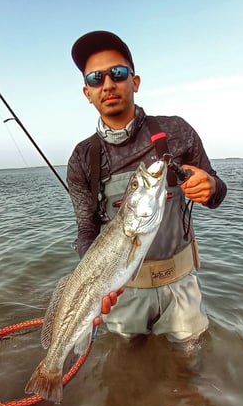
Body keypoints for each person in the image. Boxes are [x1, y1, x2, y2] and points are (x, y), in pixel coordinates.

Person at [67, 31, 227, 344]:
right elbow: (86, 232)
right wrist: (96, 286)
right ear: (87, 92)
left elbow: (217, 192)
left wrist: (211, 186)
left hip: (181, 285)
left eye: (118, 73)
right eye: (96, 78)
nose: (108, 84)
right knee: (126, 372)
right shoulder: (82, 158)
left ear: (135, 81)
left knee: (191, 371)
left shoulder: (176, 131)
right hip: (123, 293)